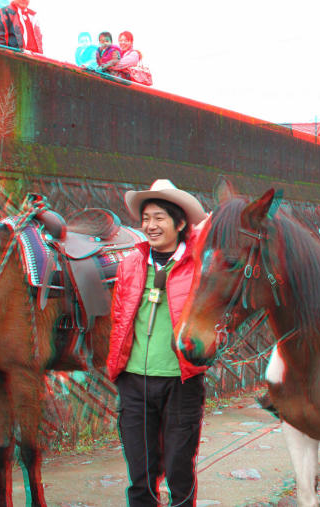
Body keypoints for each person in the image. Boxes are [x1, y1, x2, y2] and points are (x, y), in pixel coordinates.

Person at [107, 179, 209, 507]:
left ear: (179, 224)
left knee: (179, 469)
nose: (150, 225)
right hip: (134, 380)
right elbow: (119, 319)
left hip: (181, 381)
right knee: (140, 473)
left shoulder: (200, 266)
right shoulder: (130, 264)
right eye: (146, 218)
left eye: (159, 218)